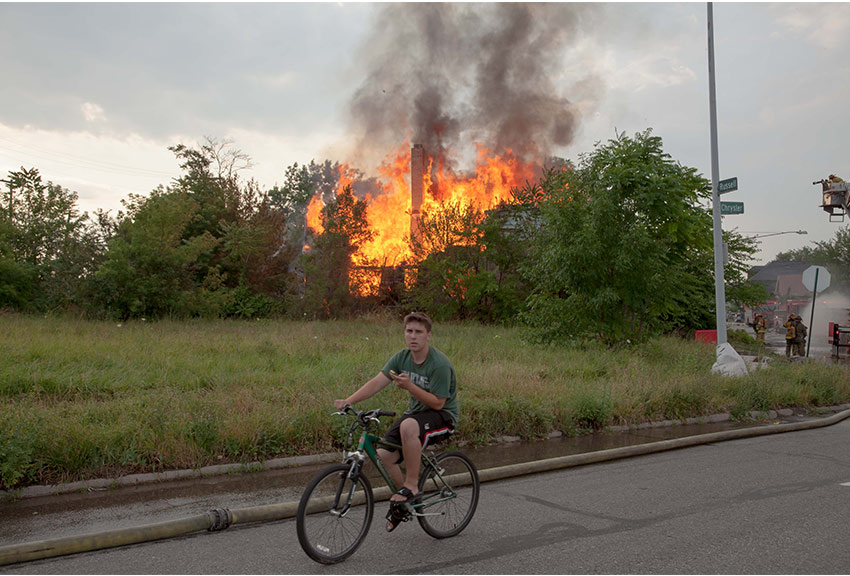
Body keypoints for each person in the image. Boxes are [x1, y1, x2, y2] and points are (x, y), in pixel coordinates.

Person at [333, 311, 459, 532]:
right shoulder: (401, 358)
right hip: (416, 414)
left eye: (419, 332)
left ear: (428, 335)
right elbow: (377, 382)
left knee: (408, 425)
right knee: (384, 456)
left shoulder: (439, 364)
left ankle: (412, 485)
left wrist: (411, 387)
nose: (413, 336)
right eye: (409, 331)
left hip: (443, 417)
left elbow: (438, 403)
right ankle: (405, 502)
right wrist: (348, 400)